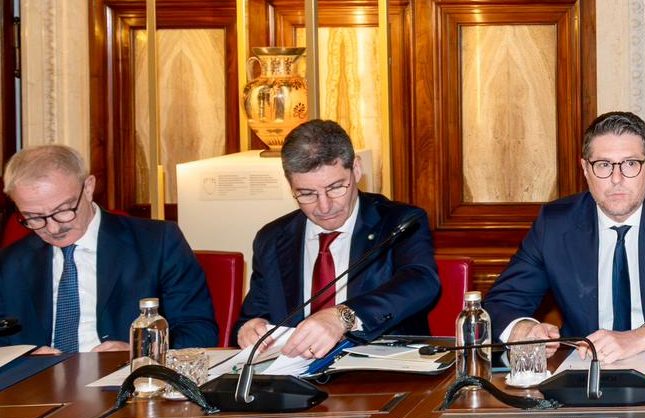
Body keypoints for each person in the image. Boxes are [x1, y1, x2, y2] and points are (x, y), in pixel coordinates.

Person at [485, 111, 645, 361]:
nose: (616, 179)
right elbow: (500, 303)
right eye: (603, 165)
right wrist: (524, 330)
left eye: (630, 164)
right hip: (583, 365)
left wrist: (640, 338)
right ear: (585, 169)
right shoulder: (555, 224)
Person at [237, 120, 440, 357]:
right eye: (306, 194)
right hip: (295, 372)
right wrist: (250, 328)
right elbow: (255, 312)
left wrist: (343, 316)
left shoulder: (400, 222)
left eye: (335, 188)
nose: (324, 206)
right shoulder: (272, 238)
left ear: (356, 169)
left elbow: (421, 282)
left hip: (378, 369)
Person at [0, 145, 217, 352]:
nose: (53, 228)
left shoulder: (156, 243)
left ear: (88, 188)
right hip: (41, 378)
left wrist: (143, 351)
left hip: (130, 374)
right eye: (34, 217)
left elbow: (198, 330)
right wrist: (23, 359)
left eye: (63, 210)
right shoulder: (10, 262)